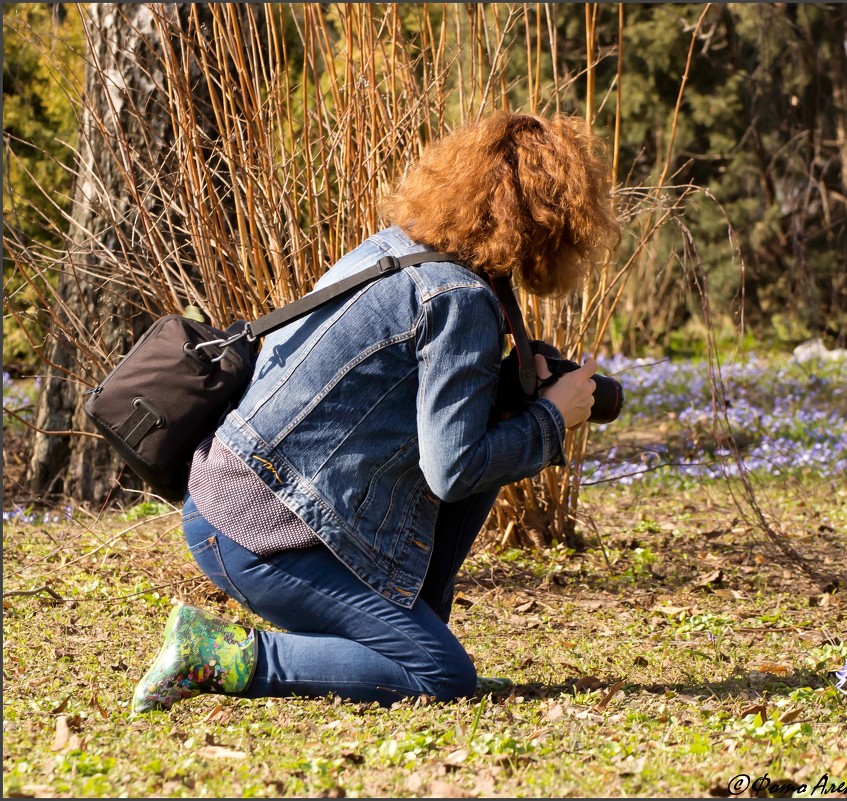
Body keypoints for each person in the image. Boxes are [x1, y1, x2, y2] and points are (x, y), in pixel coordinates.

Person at [132, 111, 620, 713]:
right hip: (262, 536)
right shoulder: (459, 299)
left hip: (234, 503)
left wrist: (515, 382)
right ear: (546, 220)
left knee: (488, 422)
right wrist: (552, 416)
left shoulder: (398, 249)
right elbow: (453, 471)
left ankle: (412, 647)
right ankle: (219, 654)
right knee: (443, 678)